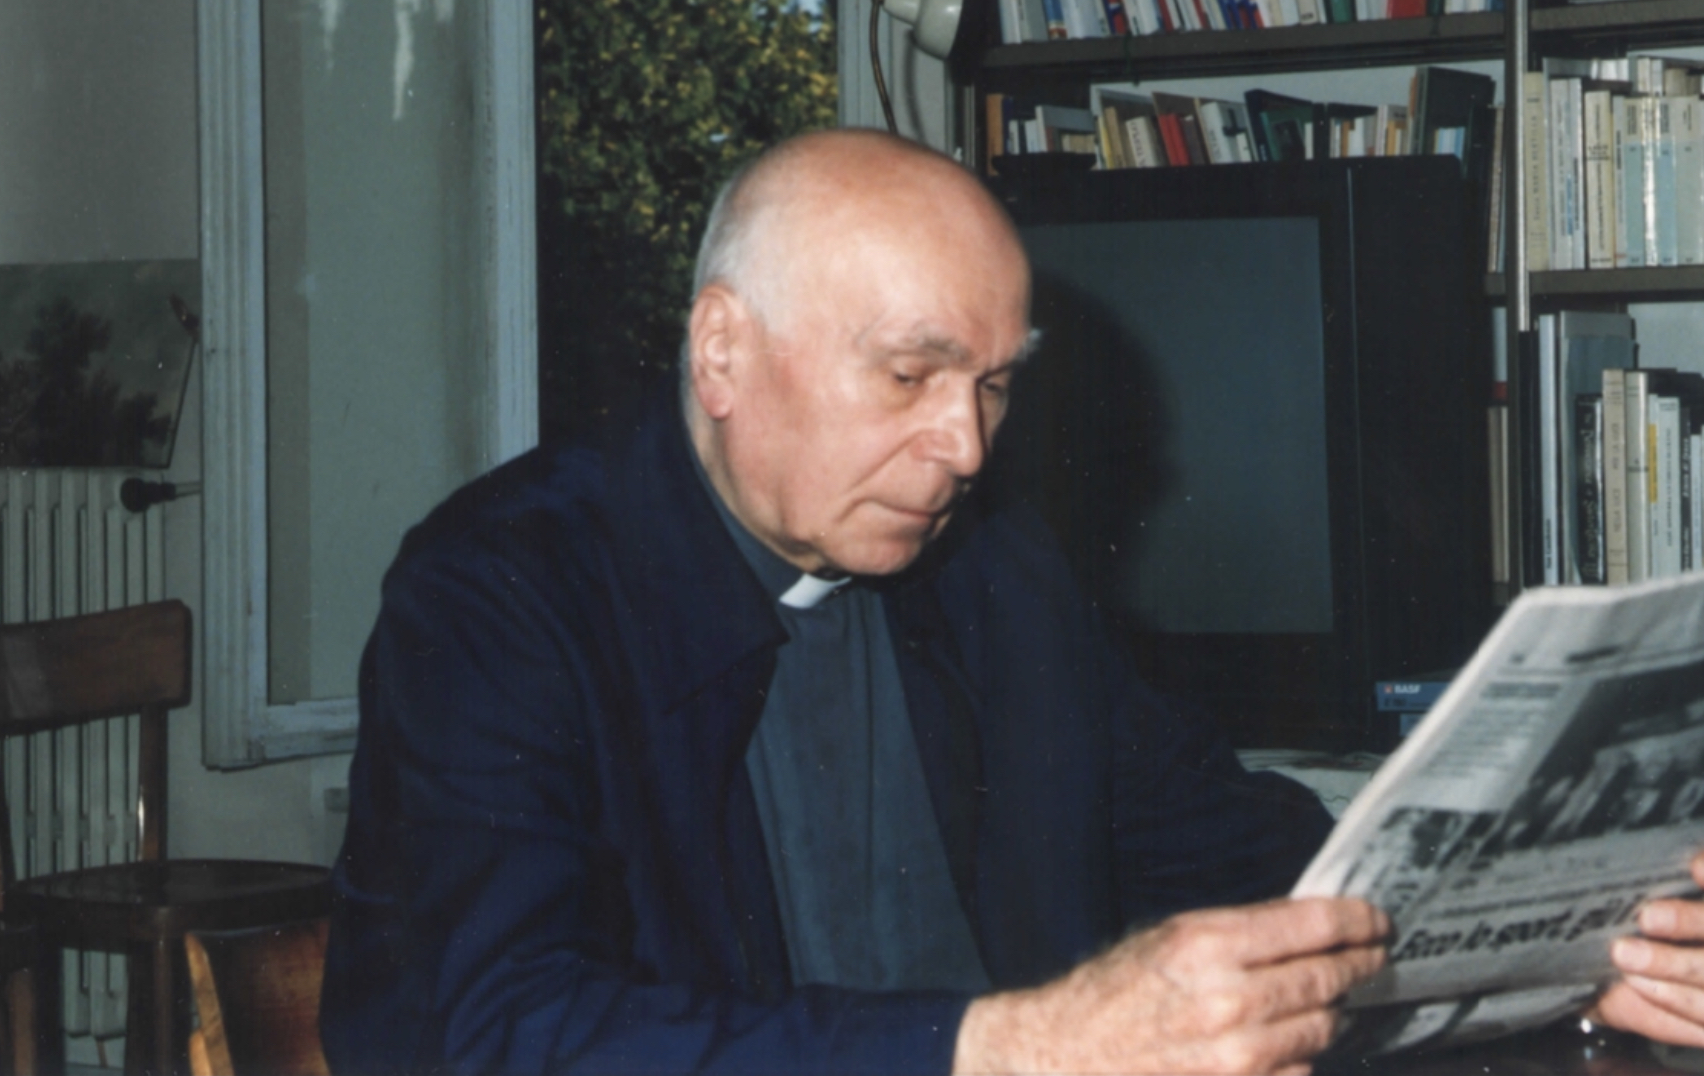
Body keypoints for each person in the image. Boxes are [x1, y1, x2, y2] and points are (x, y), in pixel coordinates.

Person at [321, 130, 1704, 1073]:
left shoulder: (992, 570)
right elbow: (476, 1035)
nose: (968, 448)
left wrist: (1564, 936)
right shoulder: (501, 592)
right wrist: (1020, 1049)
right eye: (909, 375)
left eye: (991, 384)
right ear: (723, 350)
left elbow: (1228, 845)